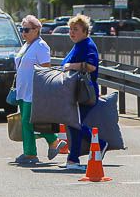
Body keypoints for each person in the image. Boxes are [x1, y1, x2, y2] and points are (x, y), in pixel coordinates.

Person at [12, 15, 63, 165]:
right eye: (22, 29)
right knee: (26, 121)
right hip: (23, 89)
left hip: (34, 91)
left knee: (29, 121)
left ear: (36, 30)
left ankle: (32, 153)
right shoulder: (26, 45)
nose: (24, 33)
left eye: (26, 30)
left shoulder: (41, 46)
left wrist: (43, 91)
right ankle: (50, 144)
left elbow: (45, 69)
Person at [62, 14, 103, 171]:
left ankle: (73, 159)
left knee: (75, 124)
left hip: (86, 93)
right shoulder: (78, 45)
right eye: (70, 30)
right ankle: (99, 145)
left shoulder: (88, 45)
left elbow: (91, 66)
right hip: (77, 92)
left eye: (76, 30)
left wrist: (71, 66)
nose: (72, 32)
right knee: (74, 124)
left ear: (85, 31)